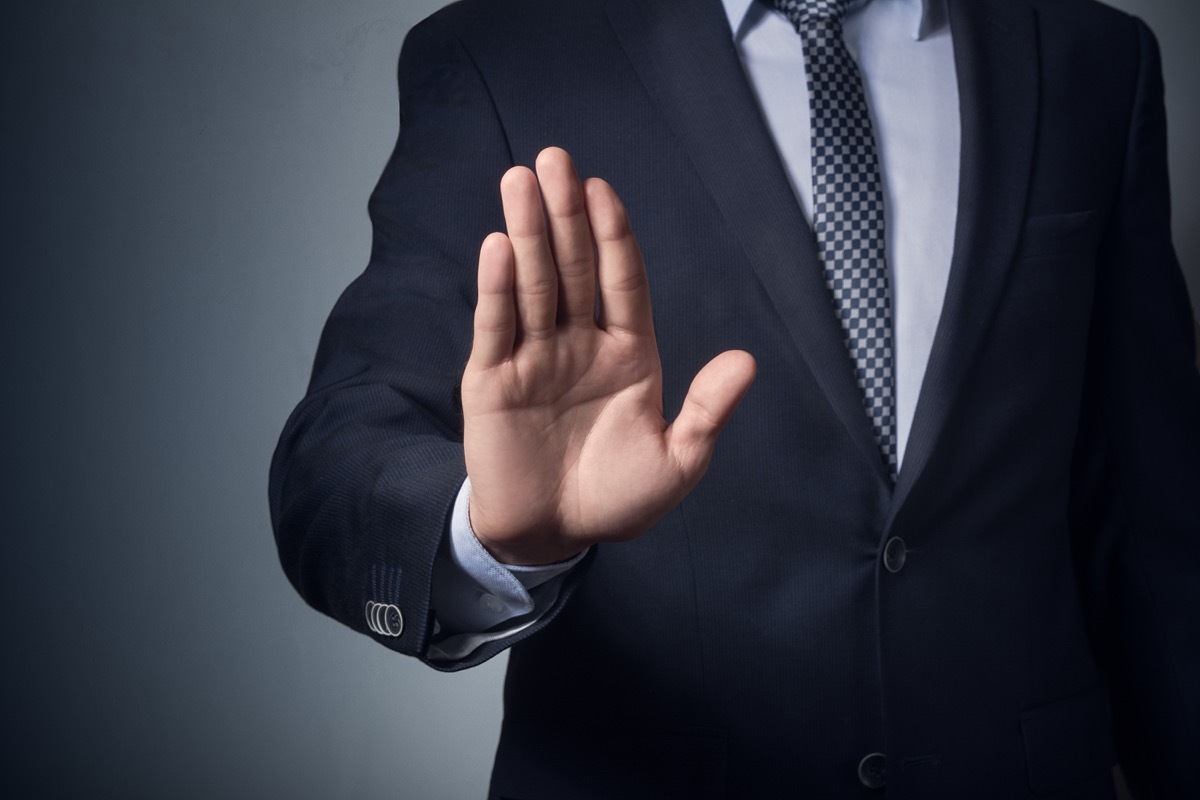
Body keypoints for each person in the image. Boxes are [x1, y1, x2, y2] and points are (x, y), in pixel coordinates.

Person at [269, 0, 1200, 796]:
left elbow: (1151, 519)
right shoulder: (505, 50)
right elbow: (337, 462)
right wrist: (499, 537)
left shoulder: (1093, 58)